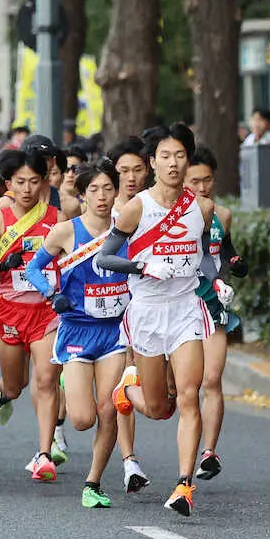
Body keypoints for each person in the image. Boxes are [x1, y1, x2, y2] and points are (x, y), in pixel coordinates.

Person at [97, 122, 215, 517]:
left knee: (188, 396)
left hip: (184, 310)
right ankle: (125, 392)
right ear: (152, 162)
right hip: (147, 312)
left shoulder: (202, 207)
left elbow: (207, 257)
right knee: (159, 408)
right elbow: (105, 258)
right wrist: (140, 266)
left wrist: (215, 282)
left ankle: (184, 485)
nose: (173, 164)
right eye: (165, 156)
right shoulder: (137, 207)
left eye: (180, 156)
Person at [25, 160, 129, 507]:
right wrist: (52, 295)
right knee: (83, 419)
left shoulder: (127, 228)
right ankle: (72, 384)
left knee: (109, 408)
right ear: (82, 194)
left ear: (117, 192)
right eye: (94, 190)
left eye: (108, 189)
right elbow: (33, 267)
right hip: (76, 331)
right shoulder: (66, 231)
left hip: (114, 332)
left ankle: (93, 483)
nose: (101, 197)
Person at [0, 147, 63, 481]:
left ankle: (44, 454)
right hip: (11, 312)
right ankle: (4, 391)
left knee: (46, 380)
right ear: (8, 182)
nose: (26, 189)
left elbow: (71, 259)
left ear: (44, 183)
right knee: (17, 385)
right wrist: (1, 266)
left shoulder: (56, 218)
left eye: (34, 181)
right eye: (20, 182)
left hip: (46, 312)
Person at [185, 146, 248, 481]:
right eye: (195, 180)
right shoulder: (170, 218)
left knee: (211, 379)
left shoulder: (222, 214)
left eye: (208, 179)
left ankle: (209, 452)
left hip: (213, 303)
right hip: (177, 307)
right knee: (179, 390)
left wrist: (236, 263)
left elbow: (226, 250)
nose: (203, 186)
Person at [108, 136, 153, 493]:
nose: (131, 176)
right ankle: (129, 462)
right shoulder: (101, 210)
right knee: (129, 377)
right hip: (105, 310)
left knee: (154, 389)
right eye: (123, 170)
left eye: (138, 169)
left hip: (150, 307)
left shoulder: (155, 208)